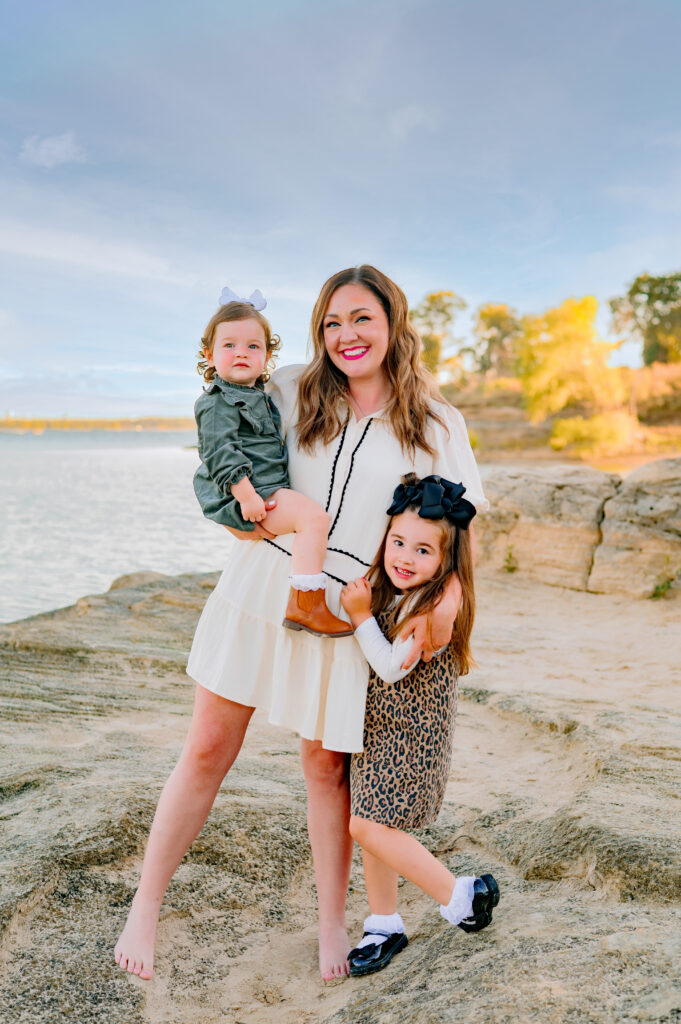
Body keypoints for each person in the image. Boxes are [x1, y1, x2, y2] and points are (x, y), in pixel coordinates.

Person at [114, 265, 488, 982]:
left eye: (361, 320)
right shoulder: (286, 387)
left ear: (392, 324)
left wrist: (449, 601)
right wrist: (232, 513)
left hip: (342, 606)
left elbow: (464, 528)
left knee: (325, 770)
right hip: (262, 585)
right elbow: (218, 429)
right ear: (317, 332)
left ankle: (329, 930)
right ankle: (145, 906)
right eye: (331, 323)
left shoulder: (437, 422)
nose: (346, 336)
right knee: (206, 751)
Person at [340, 473, 499, 976]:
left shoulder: (427, 612)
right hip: (379, 734)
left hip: (409, 739)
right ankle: (384, 921)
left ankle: (460, 895)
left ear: (445, 562)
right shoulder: (419, 592)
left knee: (364, 825)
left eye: (423, 551)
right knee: (374, 826)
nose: (405, 557)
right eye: (398, 542)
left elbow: (390, 667)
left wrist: (360, 616)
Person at [194, 285, 352, 638]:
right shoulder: (217, 403)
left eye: (253, 346)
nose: (241, 353)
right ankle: (307, 604)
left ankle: (302, 600)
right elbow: (220, 454)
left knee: (307, 521)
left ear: (267, 356)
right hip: (251, 493)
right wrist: (247, 497)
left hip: (264, 489)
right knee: (314, 518)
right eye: (229, 345)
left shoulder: (259, 396)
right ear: (209, 354)